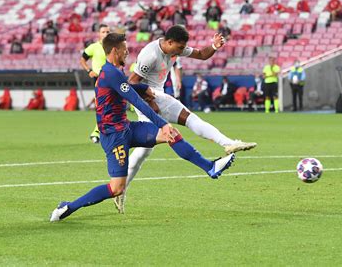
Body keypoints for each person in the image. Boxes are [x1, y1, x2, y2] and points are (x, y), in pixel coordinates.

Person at [50, 33, 236, 222]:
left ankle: (210, 167)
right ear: (115, 51)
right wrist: (162, 123)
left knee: (172, 134)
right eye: (124, 49)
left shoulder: (114, 71)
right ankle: (68, 207)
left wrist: (142, 88)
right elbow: (135, 101)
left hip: (127, 128)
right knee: (116, 188)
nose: (128, 52)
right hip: (114, 137)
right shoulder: (110, 72)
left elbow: (127, 88)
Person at [117, 25, 257, 213]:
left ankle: (120, 190)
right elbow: (132, 83)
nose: (181, 51)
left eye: (183, 48)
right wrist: (150, 103)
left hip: (158, 96)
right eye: (179, 48)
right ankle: (221, 151)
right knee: (181, 126)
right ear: (169, 42)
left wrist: (214, 46)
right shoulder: (150, 54)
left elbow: (201, 54)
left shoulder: (176, 47)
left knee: (146, 150)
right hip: (146, 99)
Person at [80, 24, 110, 143]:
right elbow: (82, 59)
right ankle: (97, 131)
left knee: (110, 105)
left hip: (111, 78)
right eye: (103, 32)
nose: (106, 34)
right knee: (103, 105)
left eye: (108, 32)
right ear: (99, 34)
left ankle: (101, 131)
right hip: (99, 79)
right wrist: (89, 70)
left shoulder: (113, 46)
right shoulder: (94, 47)